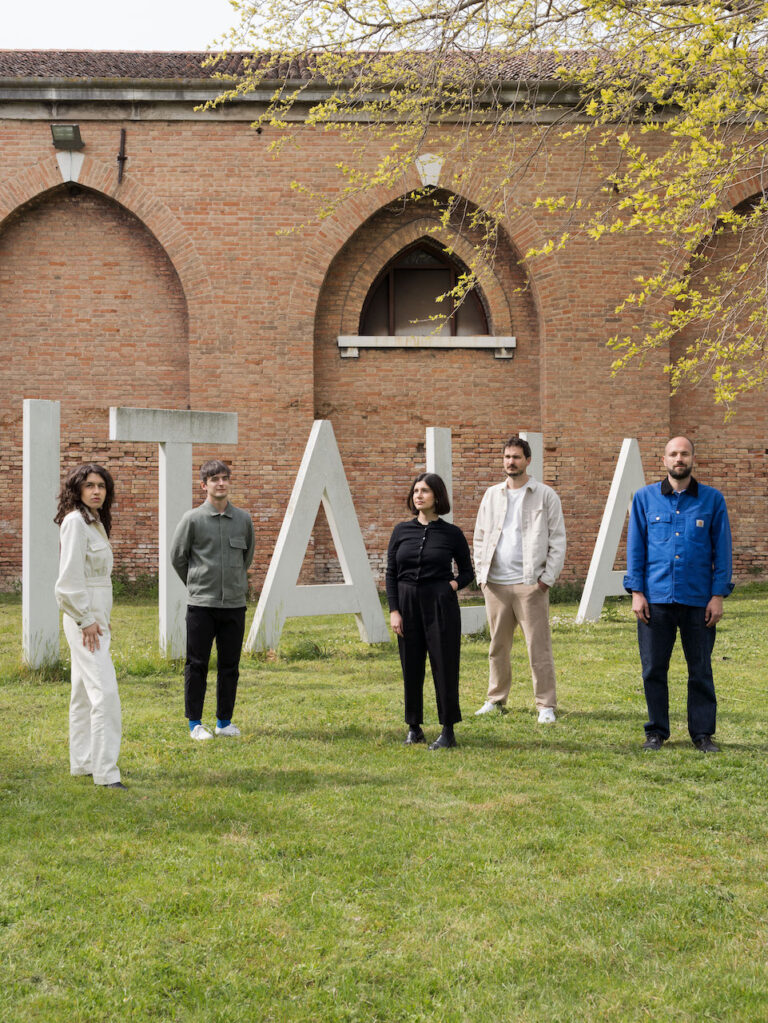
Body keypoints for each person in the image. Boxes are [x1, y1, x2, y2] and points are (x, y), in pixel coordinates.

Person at [624, 436, 733, 753]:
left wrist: (718, 596)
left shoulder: (712, 500)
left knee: (700, 669)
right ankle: (656, 731)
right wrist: (637, 592)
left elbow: (722, 553)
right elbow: (636, 549)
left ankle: (702, 734)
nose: (679, 458)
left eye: (684, 453)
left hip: (699, 601)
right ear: (664, 460)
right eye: (673, 454)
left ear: (693, 458)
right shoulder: (645, 499)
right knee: (653, 669)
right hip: (655, 600)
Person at [473, 436, 567, 722]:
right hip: (496, 584)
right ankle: (496, 698)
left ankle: (545, 705)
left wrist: (545, 580)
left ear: (528, 460)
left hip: (530, 584)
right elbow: (479, 536)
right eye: (506, 457)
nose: (510, 462)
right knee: (497, 646)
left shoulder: (545, 495)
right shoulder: (492, 495)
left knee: (538, 646)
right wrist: (481, 577)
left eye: (516, 457)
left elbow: (558, 541)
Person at [386, 473, 474, 749]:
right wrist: (394, 611)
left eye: (424, 491)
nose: (418, 495)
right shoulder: (401, 531)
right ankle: (414, 727)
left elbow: (468, 571)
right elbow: (391, 573)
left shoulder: (452, 533)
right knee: (410, 665)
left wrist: (453, 585)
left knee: (444, 665)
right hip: (407, 603)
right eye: (415, 491)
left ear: (437, 496)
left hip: (440, 605)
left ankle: (448, 730)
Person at [170, 460, 255, 741]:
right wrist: (197, 584)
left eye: (225, 478)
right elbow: (178, 557)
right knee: (197, 665)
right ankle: (195, 723)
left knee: (230, 666)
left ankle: (224, 722)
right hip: (201, 606)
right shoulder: (192, 519)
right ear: (203, 484)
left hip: (234, 605)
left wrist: (234, 584)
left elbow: (247, 558)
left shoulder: (243, 520)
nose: (221, 483)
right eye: (214, 479)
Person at [54, 463, 125, 789]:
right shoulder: (75, 523)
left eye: (102, 486)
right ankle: (106, 774)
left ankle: (82, 763)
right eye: (90, 485)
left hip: (95, 618)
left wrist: (100, 616)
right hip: (84, 621)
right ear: (77, 489)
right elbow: (68, 582)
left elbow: (98, 581)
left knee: (83, 693)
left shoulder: (95, 524)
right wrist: (85, 620)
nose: (96, 491)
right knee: (105, 693)